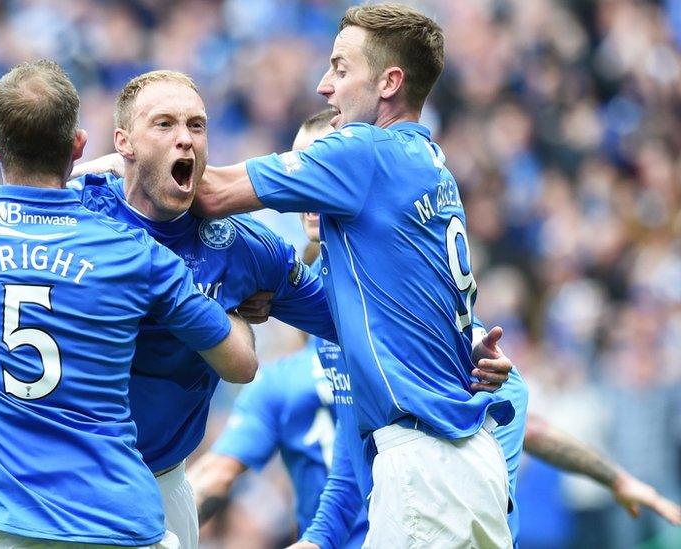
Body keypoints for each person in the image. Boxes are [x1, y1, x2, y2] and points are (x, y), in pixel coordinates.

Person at [0, 68, 513, 548]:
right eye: (165, 124)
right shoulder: (77, 206)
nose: (186, 138)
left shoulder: (246, 251)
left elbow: (354, 313)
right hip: (61, 482)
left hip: (155, 485)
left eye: (197, 125)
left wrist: (465, 346)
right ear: (124, 143)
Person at [199, 110, 680, 549]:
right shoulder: (338, 325)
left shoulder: (398, 310)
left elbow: (508, 394)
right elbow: (348, 467)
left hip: (435, 517)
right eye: (301, 170)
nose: (307, 191)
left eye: (320, 171)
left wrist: (498, 498)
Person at [0, 60, 259, 548]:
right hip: (120, 525)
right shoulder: (135, 254)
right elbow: (239, 363)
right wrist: (238, 312)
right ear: (78, 145)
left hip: (4, 526)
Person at [191, 4, 521, 545]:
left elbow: (207, 193)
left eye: (341, 69)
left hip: (423, 467)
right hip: (470, 462)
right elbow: (365, 313)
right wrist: (276, 295)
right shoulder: (431, 167)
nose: (325, 85)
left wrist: (114, 165)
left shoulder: (364, 151)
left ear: (390, 82)